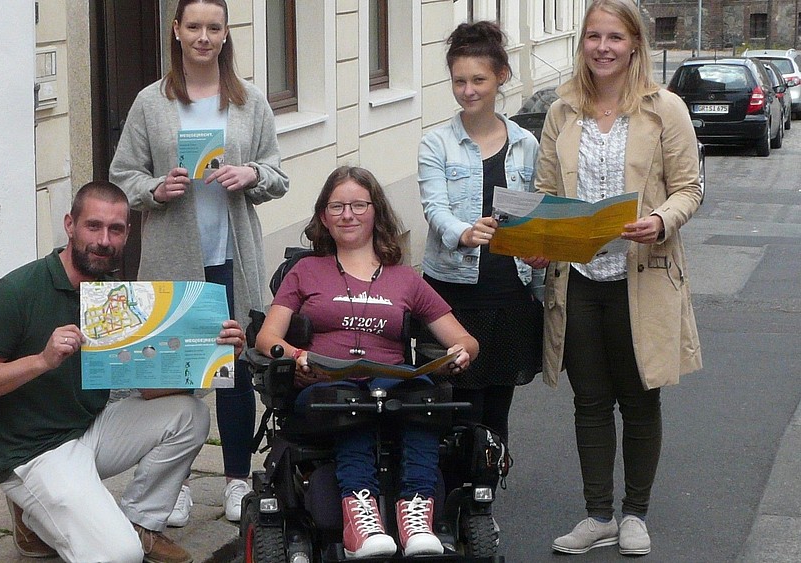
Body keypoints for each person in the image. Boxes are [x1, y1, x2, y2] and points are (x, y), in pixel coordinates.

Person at [0, 181, 246, 563]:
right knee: (119, 555)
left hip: (88, 431)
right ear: (69, 225)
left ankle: (141, 523)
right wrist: (42, 361)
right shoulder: (17, 290)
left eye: (116, 229)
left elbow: (149, 392)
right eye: (93, 226)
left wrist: (216, 355)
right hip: (32, 451)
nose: (104, 240)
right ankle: (34, 510)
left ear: (128, 233)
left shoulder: (113, 295)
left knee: (189, 414)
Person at [526, 0, 703, 556]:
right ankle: (598, 513)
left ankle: (635, 513)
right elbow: (546, 193)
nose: (603, 47)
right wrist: (536, 241)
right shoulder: (562, 111)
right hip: (577, 278)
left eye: (615, 38)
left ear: (634, 46)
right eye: (593, 36)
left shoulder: (664, 109)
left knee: (640, 395)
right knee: (590, 401)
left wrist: (660, 220)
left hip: (641, 275)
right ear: (583, 44)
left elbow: (690, 188)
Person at [109, 0, 289, 526]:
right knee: (172, 372)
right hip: (173, 256)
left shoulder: (249, 101)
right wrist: (155, 188)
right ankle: (175, 482)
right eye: (194, 27)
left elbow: (278, 174)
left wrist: (251, 174)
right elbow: (124, 176)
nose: (204, 37)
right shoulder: (152, 102)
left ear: (226, 33)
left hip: (233, 256)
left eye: (213, 27)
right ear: (177, 31)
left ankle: (236, 479)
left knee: (232, 371)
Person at [255, 166, 479, 558]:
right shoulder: (305, 271)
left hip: (393, 381)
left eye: (358, 205)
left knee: (424, 401)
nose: (348, 214)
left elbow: (463, 339)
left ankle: (416, 513)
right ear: (324, 216)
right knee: (350, 405)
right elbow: (266, 337)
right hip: (327, 383)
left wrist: (459, 352)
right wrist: (297, 356)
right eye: (337, 206)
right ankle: (361, 521)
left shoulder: (404, 279)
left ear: (376, 212)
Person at [416, 20, 543, 496]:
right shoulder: (437, 142)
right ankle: (448, 497)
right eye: (459, 81)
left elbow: (534, 212)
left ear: (502, 77)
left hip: (509, 292)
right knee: (453, 403)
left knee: (496, 406)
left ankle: (483, 499)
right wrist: (463, 233)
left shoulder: (526, 144)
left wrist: (541, 250)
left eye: (478, 80)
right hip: (450, 292)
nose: (468, 91)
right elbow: (434, 207)